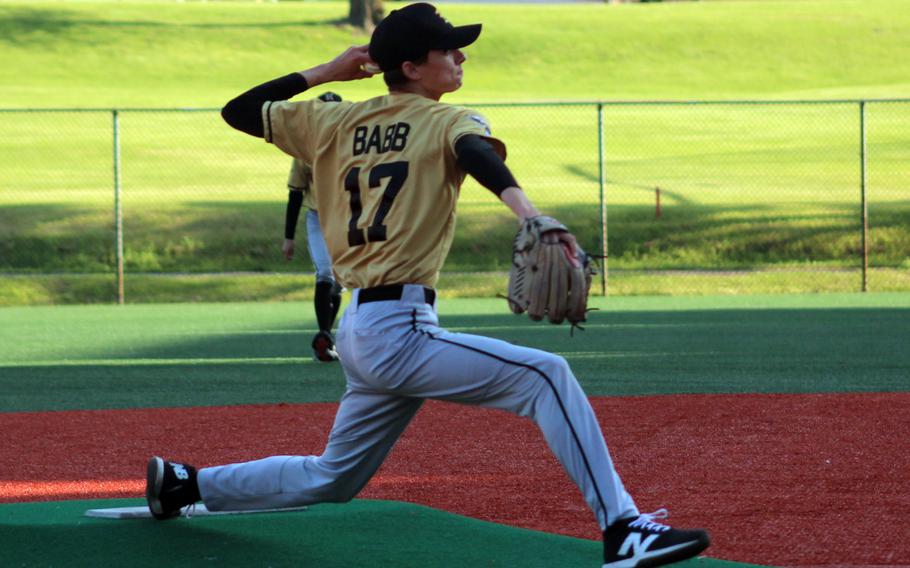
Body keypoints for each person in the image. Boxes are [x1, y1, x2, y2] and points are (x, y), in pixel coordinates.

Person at [145, 4, 710, 567]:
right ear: (413, 67)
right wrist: (529, 214)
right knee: (546, 375)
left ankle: (185, 485)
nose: (460, 56)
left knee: (334, 476)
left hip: (362, 329)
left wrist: (326, 71)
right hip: (398, 331)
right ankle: (624, 529)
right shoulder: (448, 120)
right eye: (448, 49)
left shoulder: (332, 122)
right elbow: (474, 154)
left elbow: (237, 110)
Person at [282, 92, 345, 362]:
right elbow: (296, 193)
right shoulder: (306, 149)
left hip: (347, 217)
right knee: (325, 273)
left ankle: (326, 338)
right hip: (319, 217)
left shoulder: (356, 145)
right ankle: (323, 334)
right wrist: (288, 237)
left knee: (338, 281)